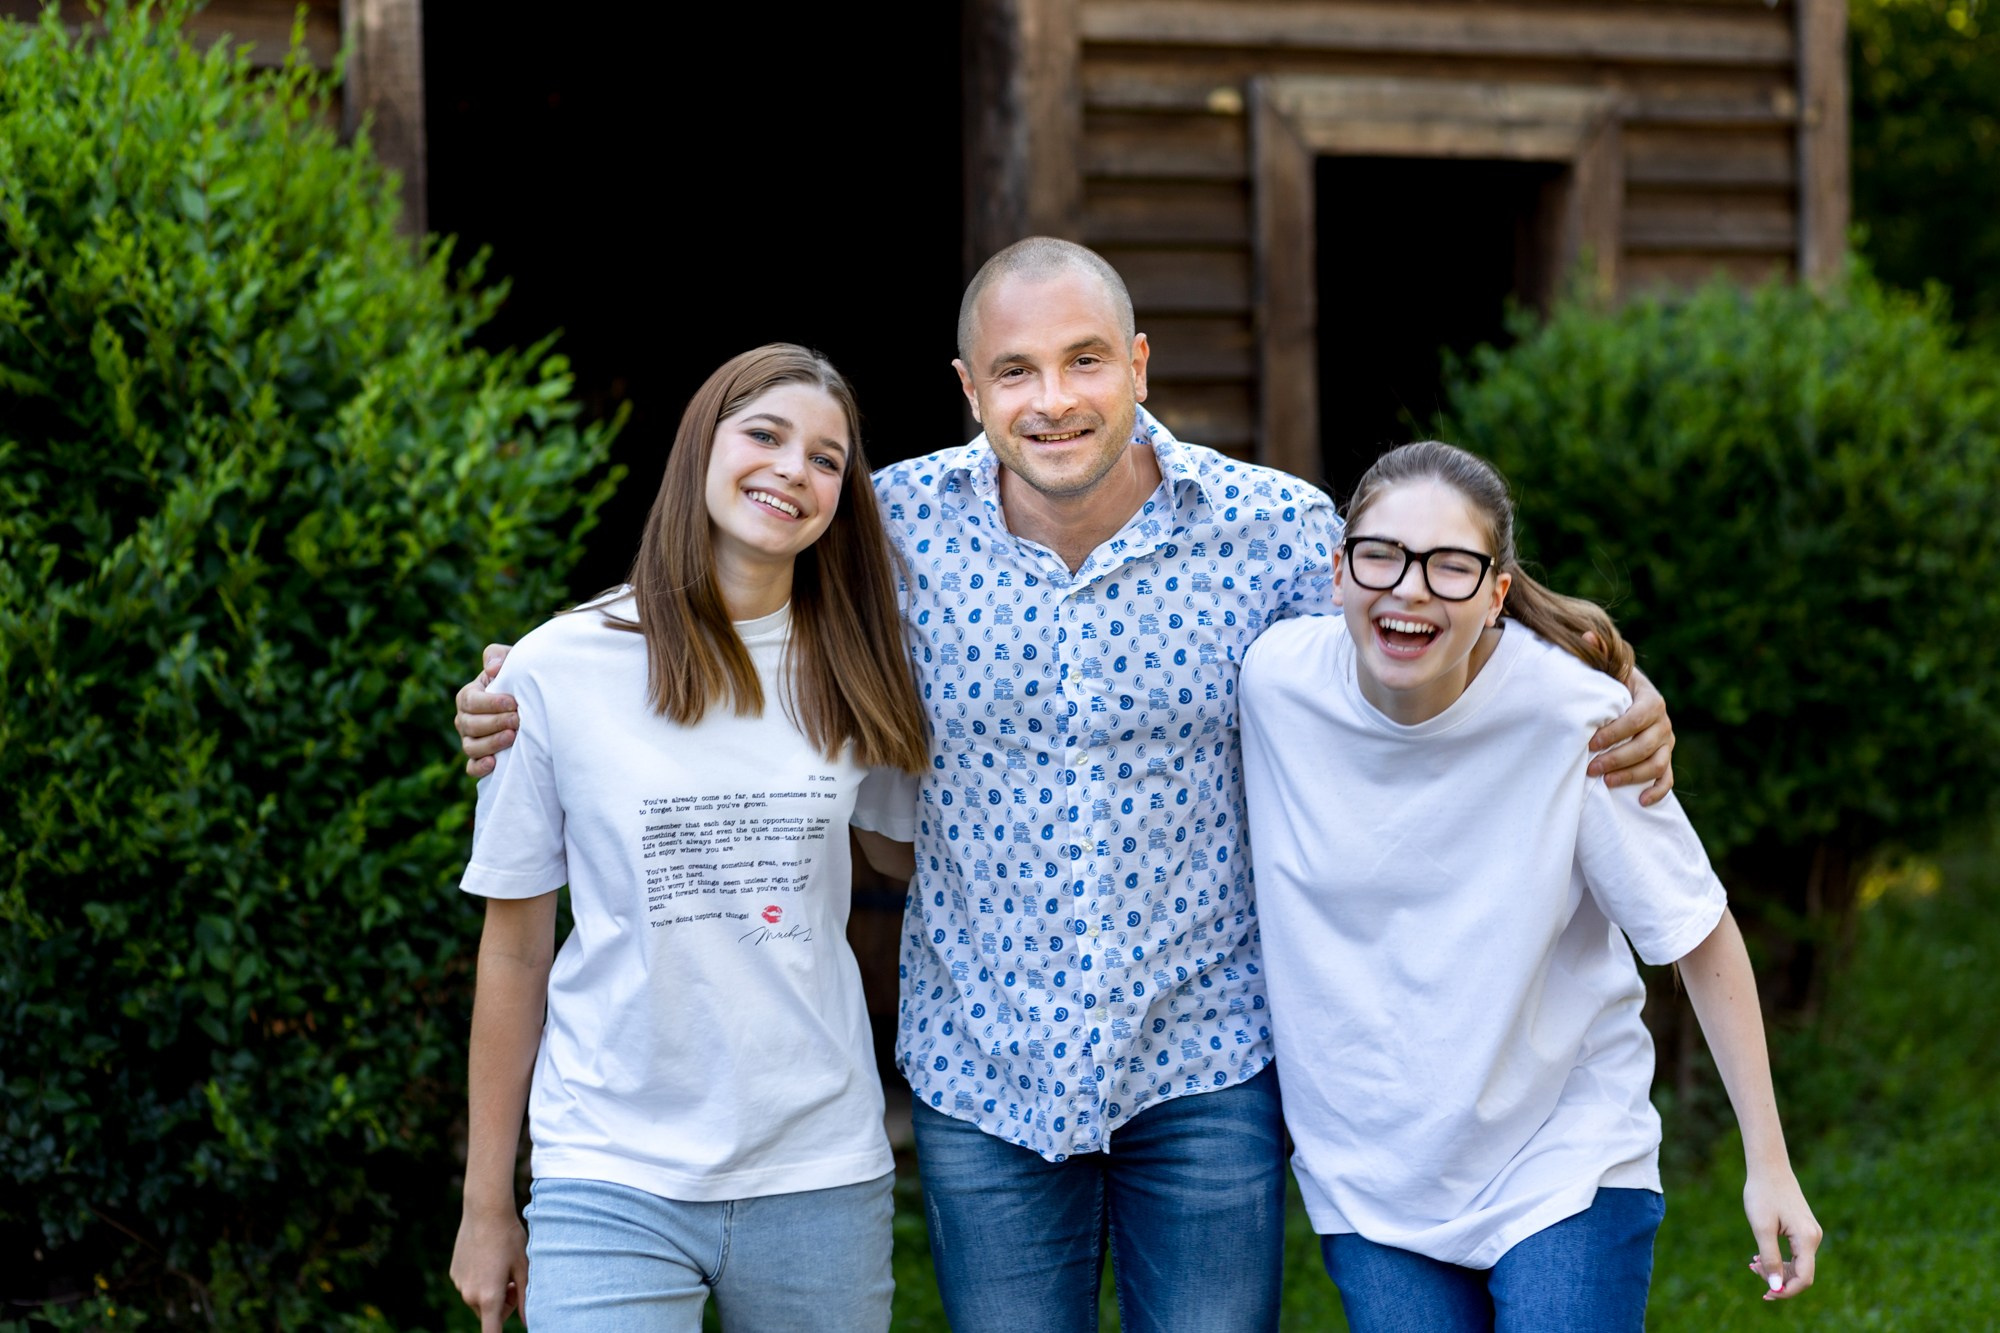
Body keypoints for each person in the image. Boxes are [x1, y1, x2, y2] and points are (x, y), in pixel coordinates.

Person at [455, 240, 1680, 1332]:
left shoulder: (1266, 529)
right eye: (1016, 370)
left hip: (1201, 1059)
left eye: (1085, 360)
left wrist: (1591, 663)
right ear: (968, 390)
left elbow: (1421, 605)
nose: (1053, 400)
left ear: (1138, 365)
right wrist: (531, 675)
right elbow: (722, 580)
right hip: (982, 1069)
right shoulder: (881, 533)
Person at [1239, 441, 1822, 1332]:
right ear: (1338, 569)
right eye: (1382, 555)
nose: (1409, 589)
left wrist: (1768, 1160)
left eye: (1451, 566)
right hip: (1374, 1177)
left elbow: (1696, 930)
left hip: (1562, 1156)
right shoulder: (1273, 685)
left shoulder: (1576, 718)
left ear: (1497, 593)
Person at [447, 344, 927, 1333]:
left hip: (816, 1165)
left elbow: (910, 859)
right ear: (700, 446)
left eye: (827, 459)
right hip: (608, 1165)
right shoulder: (552, 669)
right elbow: (516, 945)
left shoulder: (857, 665)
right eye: (765, 434)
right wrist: (486, 1203)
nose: (794, 468)